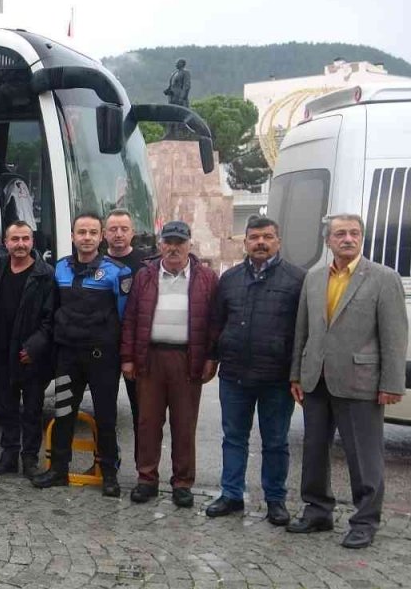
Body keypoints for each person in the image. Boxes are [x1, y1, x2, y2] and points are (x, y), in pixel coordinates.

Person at [288, 214, 407, 549]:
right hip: (316, 380)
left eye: (354, 233)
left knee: (363, 454)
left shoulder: (383, 278)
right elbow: (303, 330)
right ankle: (317, 510)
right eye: (340, 234)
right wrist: (296, 373)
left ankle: (365, 520)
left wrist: (392, 383)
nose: (348, 239)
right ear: (328, 240)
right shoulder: (313, 278)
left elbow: (395, 335)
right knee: (313, 450)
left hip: (361, 381)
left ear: (362, 238)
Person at [206, 216, 305, 525]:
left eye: (267, 237)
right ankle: (231, 494)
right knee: (233, 438)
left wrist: (297, 373)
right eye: (254, 237)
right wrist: (213, 358)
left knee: (275, 441)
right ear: (245, 242)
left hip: (276, 377)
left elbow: (304, 330)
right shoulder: (230, 279)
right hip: (234, 374)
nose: (261, 242)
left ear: (278, 241)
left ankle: (275, 499)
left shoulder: (296, 279)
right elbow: (216, 323)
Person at [120, 221, 219, 508]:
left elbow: (214, 323)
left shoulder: (206, 278)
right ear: (160, 245)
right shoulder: (145, 276)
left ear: (189, 244)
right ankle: (146, 479)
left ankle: (183, 483)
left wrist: (211, 357)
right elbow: (131, 319)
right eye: (169, 242)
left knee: (184, 424)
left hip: (188, 359)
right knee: (148, 422)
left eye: (180, 242)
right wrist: (127, 357)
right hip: (150, 358)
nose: (174, 248)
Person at [32, 213, 131, 498]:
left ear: (101, 237)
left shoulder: (117, 272)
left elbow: (125, 317)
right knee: (64, 413)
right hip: (68, 357)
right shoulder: (60, 269)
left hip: (102, 359)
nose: (86, 238)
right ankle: (58, 470)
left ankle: (109, 474)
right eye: (81, 232)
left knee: (106, 418)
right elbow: (52, 310)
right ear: (73, 236)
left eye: (92, 233)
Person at [0, 222, 55, 478]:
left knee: (33, 410)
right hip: (2, 353)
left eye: (25, 238)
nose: (21, 244)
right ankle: (9, 455)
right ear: (6, 242)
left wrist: (34, 347)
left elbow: (51, 319)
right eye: (15, 239)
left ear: (32, 242)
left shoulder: (45, 274)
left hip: (31, 357)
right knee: (7, 409)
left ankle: (30, 459)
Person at [103, 209, 145, 429]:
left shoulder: (147, 265)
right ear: (104, 233)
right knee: (105, 408)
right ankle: (107, 461)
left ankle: (144, 463)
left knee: (141, 411)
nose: (118, 234)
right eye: (113, 229)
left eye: (124, 229)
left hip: (136, 346)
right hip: (105, 345)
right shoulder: (96, 263)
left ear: (132, 233)